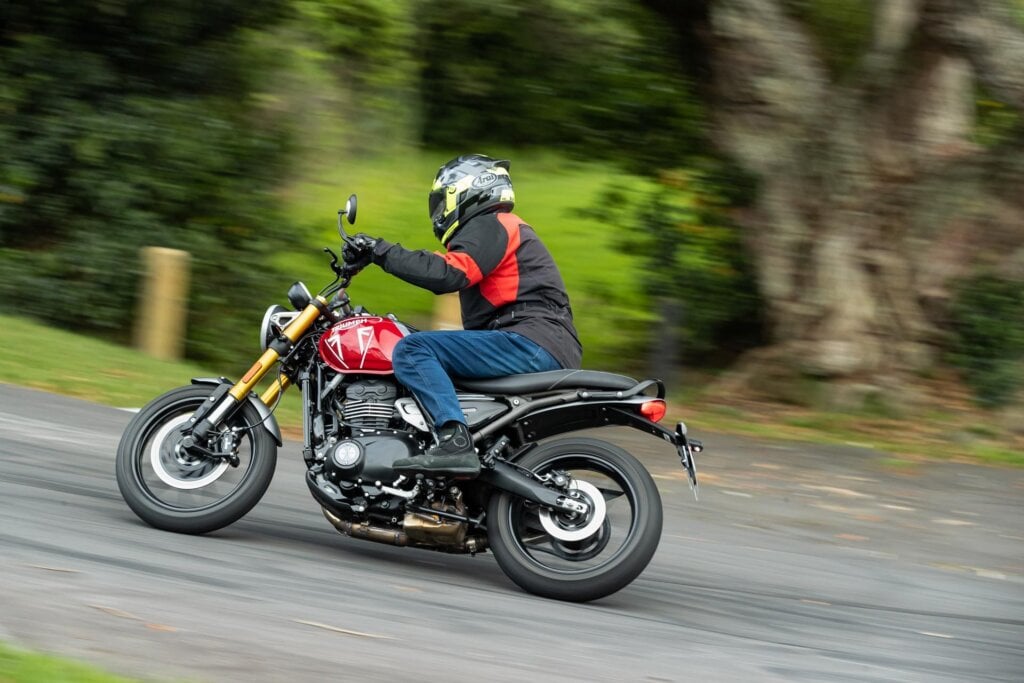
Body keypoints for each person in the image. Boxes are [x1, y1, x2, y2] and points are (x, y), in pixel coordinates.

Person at [342, 154, 581, 478]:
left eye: (442, 201)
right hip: (537, 338)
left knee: (413, 349)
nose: (439, 211)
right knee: (423, 347)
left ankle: (455, 443)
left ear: (466, 190)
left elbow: (449, 273)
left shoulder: (494, 223)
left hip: (530, 339)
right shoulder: (499, 228)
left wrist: (378, 250)